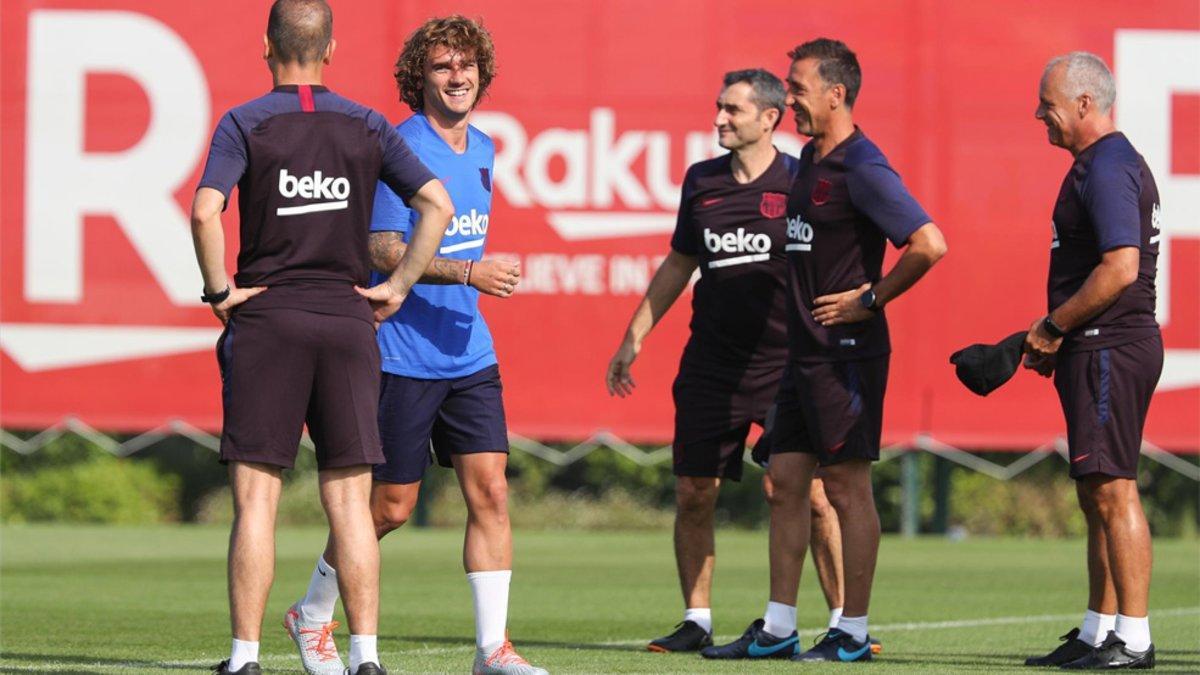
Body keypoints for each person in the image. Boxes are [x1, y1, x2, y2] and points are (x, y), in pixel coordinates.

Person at [190, 1, 453, 674]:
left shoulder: (245, 121)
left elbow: (205, 210)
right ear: (330, 49)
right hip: (346, 320)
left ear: (266, 47)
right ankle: (365, 656)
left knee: (257, 499)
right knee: (350, 502)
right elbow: (437, 205)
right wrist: (397, 287)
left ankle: (244, 657)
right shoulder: (365, 122)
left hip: (270, 321)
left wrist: (220, 291)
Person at [284, 16, 546, 675]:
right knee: (389, 508)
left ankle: (493, 649)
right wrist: (467, 272)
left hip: (469, 351)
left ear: (481, 72)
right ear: (418, 79)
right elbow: (381, 248)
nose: (457, 77)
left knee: (490, 488)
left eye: (466, 65)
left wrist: (470, 282)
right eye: (441, 67)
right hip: (402, 353)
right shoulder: (400, 146)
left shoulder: (484, 146)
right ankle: (311, 611)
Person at [703, 38, 946, 662]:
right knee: (784, 484)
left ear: (836, 95)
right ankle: (780, 628)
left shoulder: (864, 166)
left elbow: (928, 243)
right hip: (802, 357)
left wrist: (872, 297)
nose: (789, 99)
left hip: (847, 355)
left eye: (798, 88)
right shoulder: (808, 158)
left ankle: (852, 632)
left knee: (845, 487)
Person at [605, 69, 862, 654]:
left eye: (733, 110)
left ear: (769, 118)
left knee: (806, 495)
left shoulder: (802, 180)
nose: (719, 118)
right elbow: (679, 264)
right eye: (718, 107)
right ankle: (697, 619)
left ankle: (847, 623)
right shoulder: (702, 181)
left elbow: (837, 257)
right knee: (695, 490)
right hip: (710, 367)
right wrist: (634, 336)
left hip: (786, 368)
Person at [1022, 52, 1161, 671]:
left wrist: (1055, 325)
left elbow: (1121, 268)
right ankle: (1098, 629)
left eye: (1047, 102)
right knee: (1095, 491)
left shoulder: (1107, 166)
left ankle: (1133, 639)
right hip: (1098, 342)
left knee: (1113, 489)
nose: (1038, 114)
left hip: (1110, 341)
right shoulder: (1097, 163)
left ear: (1084, 104)